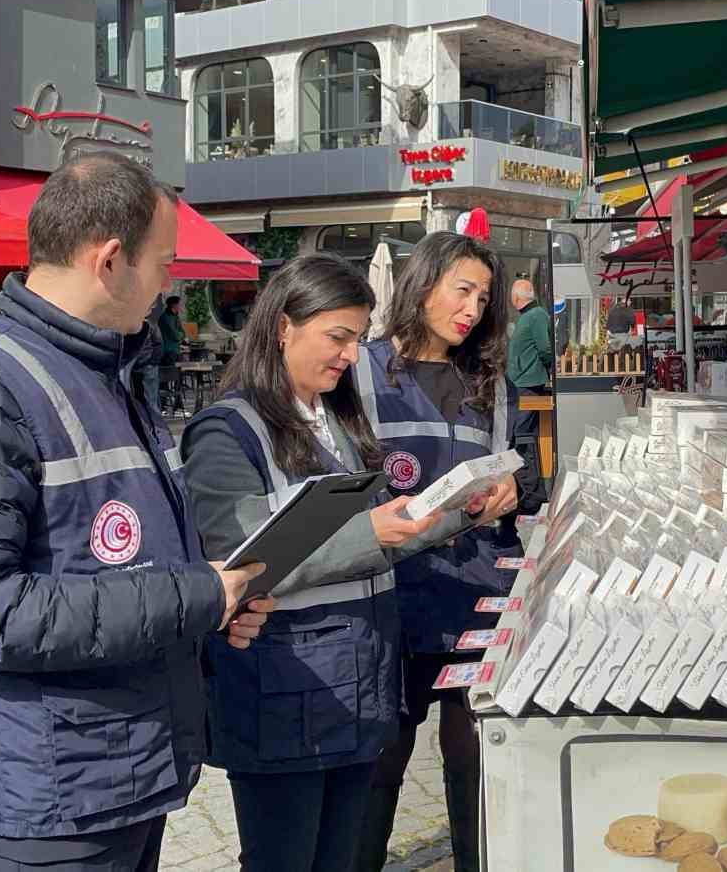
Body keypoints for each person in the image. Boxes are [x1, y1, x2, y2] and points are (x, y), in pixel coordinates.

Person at [0, 152, 274, 872]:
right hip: (42, 797)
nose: (171, 285)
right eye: (164, 265)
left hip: (111, 769)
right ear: (108, 260)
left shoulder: (104, 369)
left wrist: (214, 599)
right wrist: (192, 596)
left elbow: (112, 554)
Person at [180, 253, 493, 872]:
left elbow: (381, 540)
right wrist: (368, 531)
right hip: (283, 691)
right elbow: (234, 560)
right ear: (282, 328)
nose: (351, 356)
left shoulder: (335, 421)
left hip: (355, 689)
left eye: (356, 339)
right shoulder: (227, 430)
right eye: (338, 337)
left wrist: (461, 512)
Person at [356, 231, 521, 872]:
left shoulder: (487, 380)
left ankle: (474, 859)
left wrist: (511, 489)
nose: (474, 308)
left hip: (478, 589)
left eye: (484, 296)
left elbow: (518, 470)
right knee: (384, 751)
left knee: (474, 746)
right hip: (392, 592)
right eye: (463, 290)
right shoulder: (365, 373)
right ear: (422, 285)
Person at [505, 277, 551, 517]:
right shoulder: (530, 316)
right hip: (523, 382)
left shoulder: (536, 315)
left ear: (516, 298)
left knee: (522, 438)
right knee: (523, 437)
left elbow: (545, 348)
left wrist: (547, 370)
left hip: (528, 383)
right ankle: (531, 493)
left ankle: (532, 496)